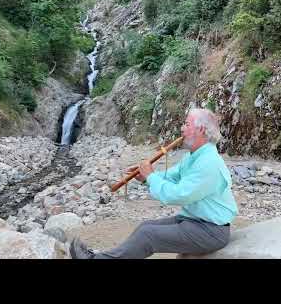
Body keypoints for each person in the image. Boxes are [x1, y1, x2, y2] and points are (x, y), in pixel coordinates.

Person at [69, 108, 239, 259]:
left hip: (210, 231)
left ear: (201, 129)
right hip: (195, 221)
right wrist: (146, 178)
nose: (182, 128)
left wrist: (151, 177)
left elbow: (178, 195)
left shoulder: (208, 163)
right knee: (146, 226)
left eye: (187, 124)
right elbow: (170, 177)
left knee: (148, 235)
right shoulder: (194, 156)